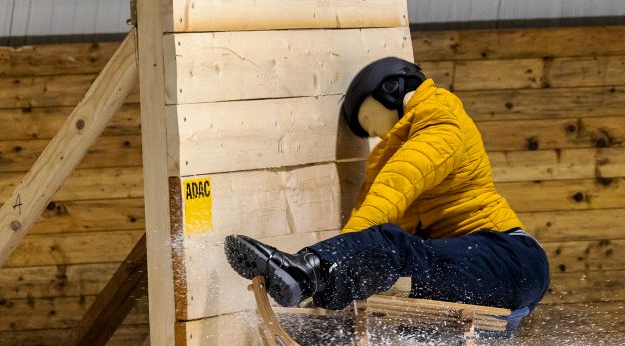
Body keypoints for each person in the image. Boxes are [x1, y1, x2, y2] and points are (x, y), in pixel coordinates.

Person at [224, 57, 550, 323]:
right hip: (477, 273)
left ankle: (307, 272)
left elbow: (396, 185)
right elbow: (376, 218)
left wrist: (335, 254)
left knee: (392, 248)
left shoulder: (440, 114)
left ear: (391, 90)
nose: (378, 134)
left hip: (512, 258)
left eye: (373, 121)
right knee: (396, 271)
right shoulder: (398, 146)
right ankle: (330, 320)